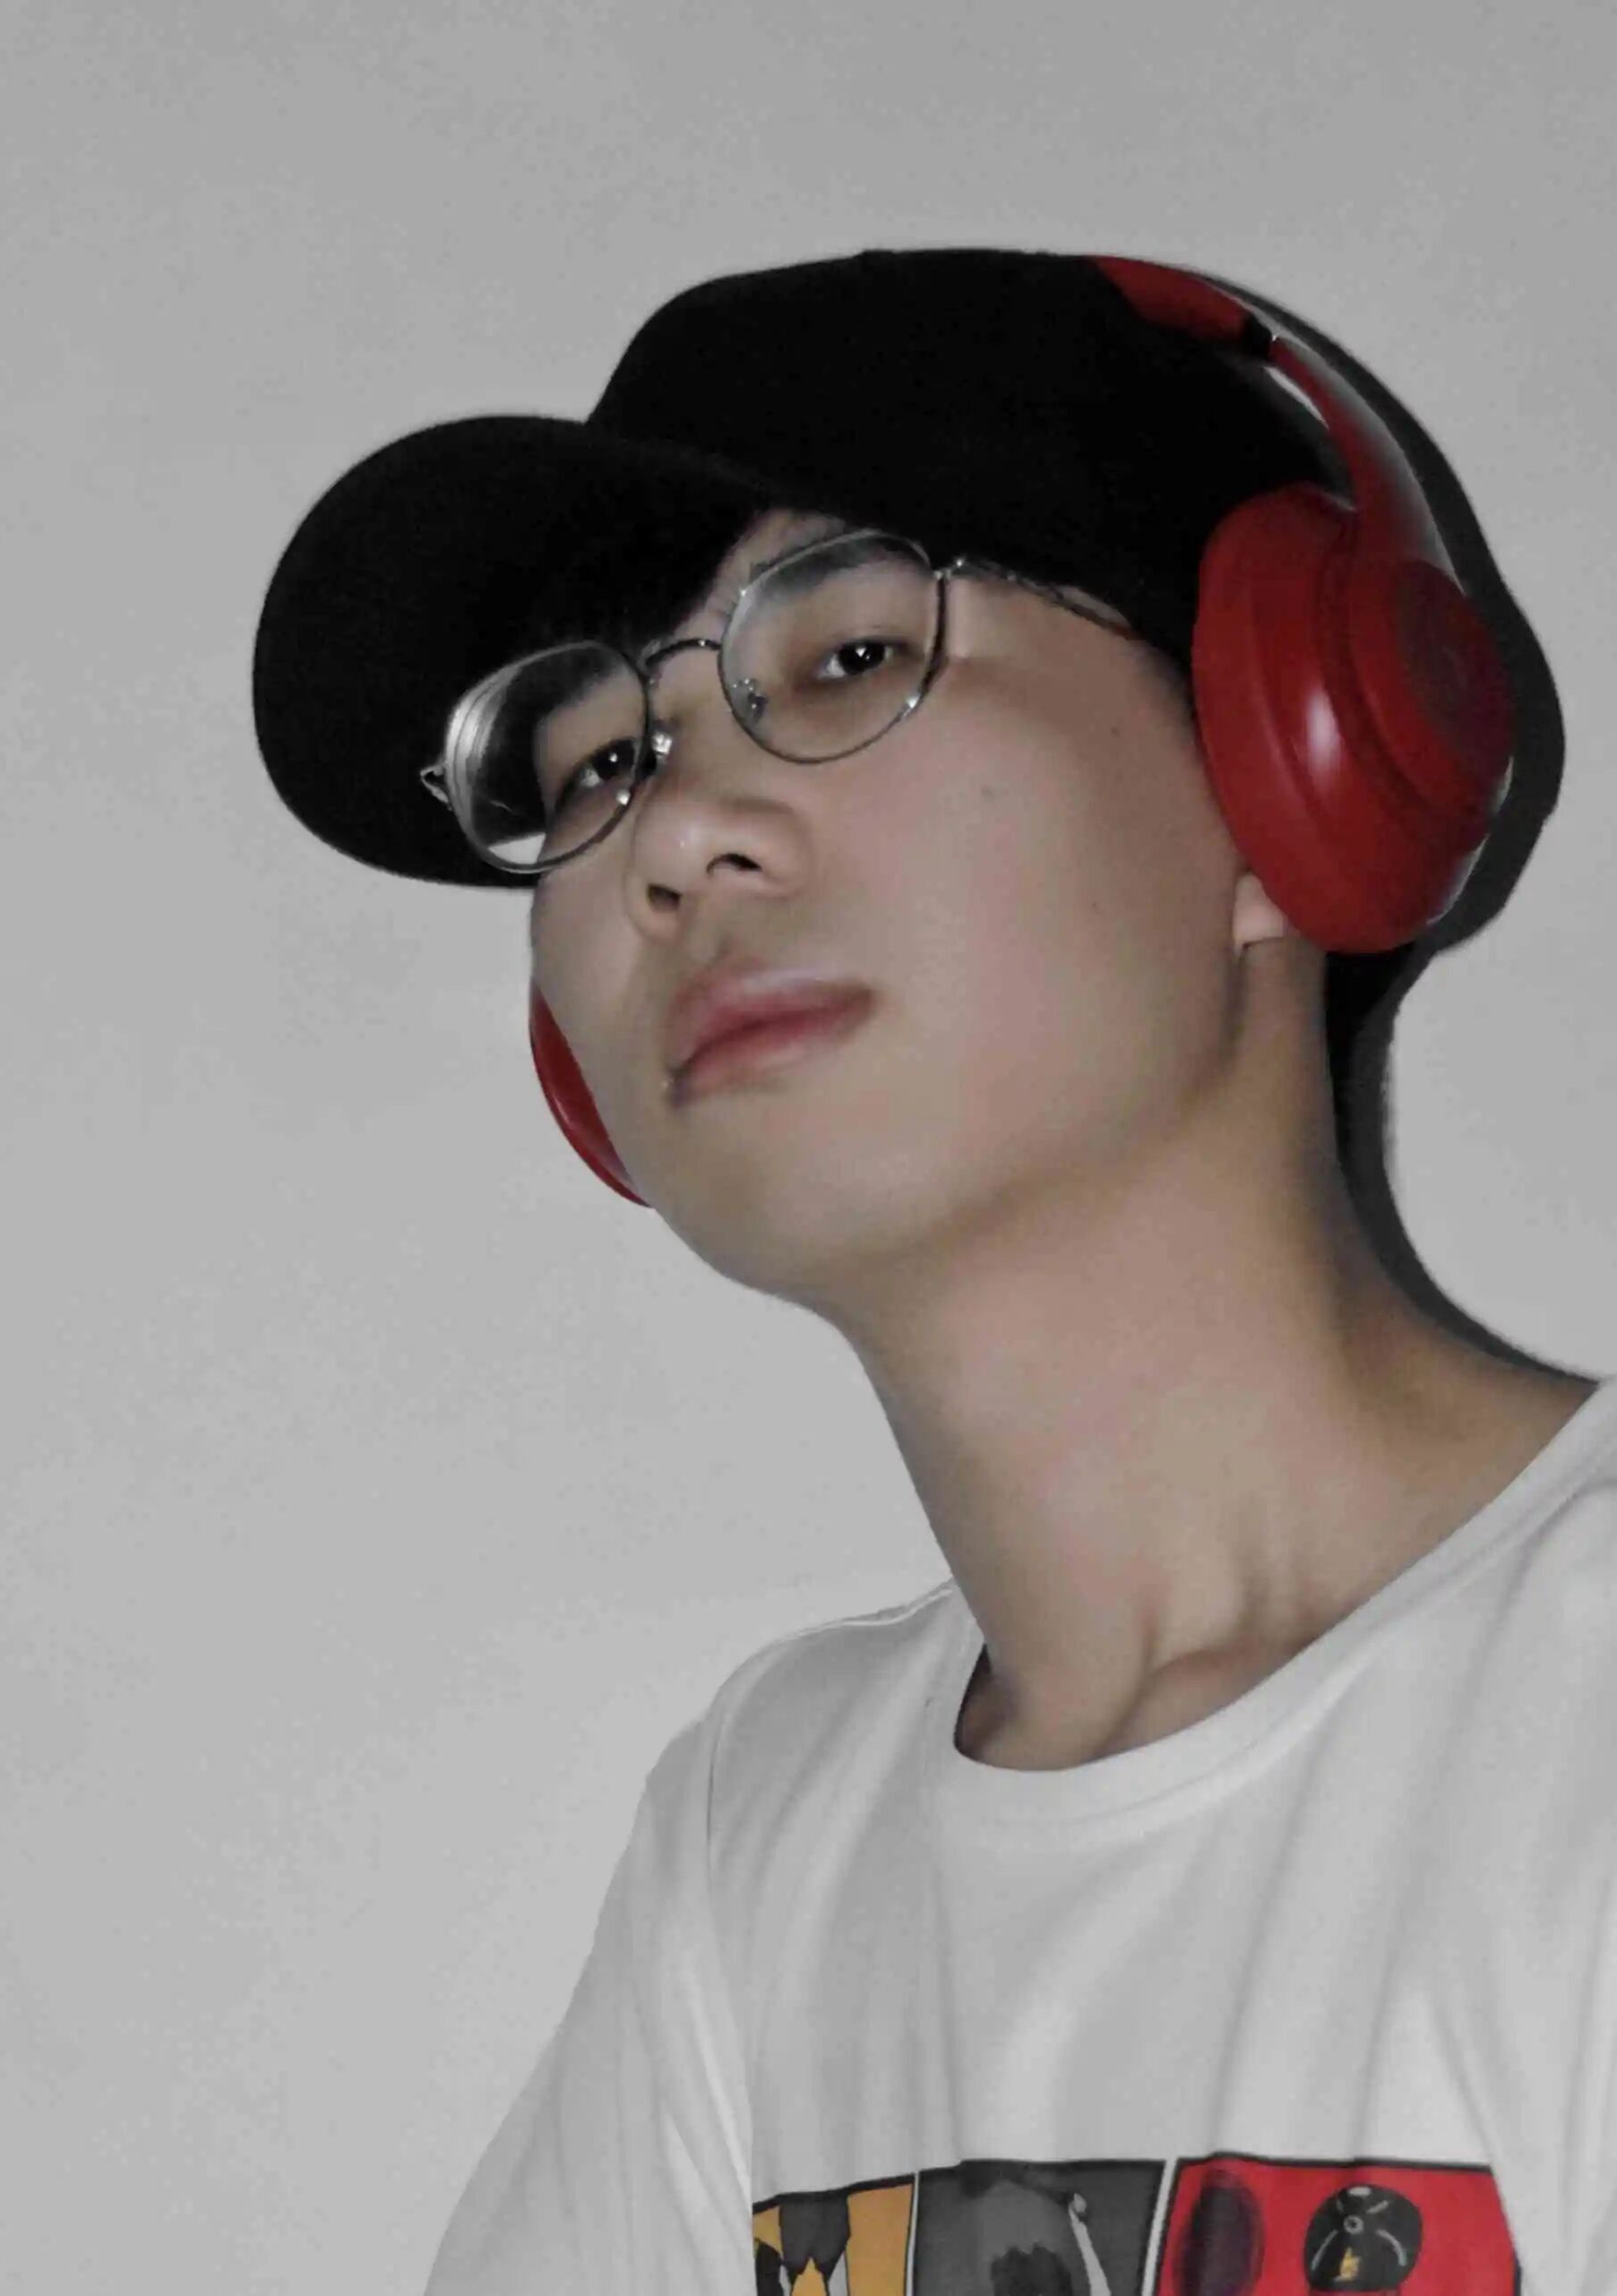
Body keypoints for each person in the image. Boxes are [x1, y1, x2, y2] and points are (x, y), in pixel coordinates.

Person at [253, 249, 1614, 2294]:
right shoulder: (768, 1827)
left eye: (845, 656)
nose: (671, 837)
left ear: (1295, 764)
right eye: (594, 766)